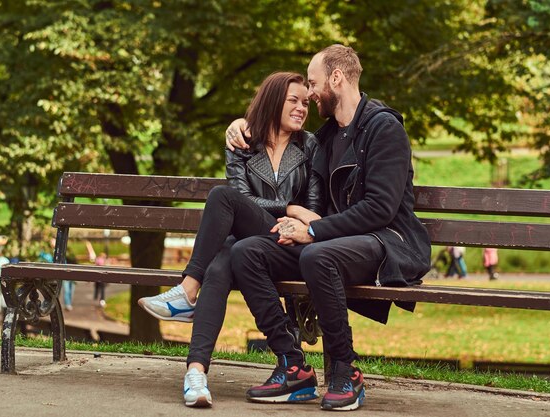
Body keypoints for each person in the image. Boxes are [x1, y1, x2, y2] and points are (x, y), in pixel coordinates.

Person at [226, 44, 431, 411]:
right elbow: (275, 135)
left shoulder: (384, 129)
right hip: (332, 242)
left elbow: (380, 210)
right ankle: (293, 366)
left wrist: (314, 232)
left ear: (336, 78)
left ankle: (344, 369)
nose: (309, 93)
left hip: (385, 242)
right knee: (247, 252)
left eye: (314, 82)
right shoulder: (326, 137)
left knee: (319, 256)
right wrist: (242, 125)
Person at [138, 72, 323, 407]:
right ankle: (195, 374)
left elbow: (310, 209)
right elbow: (242, 200)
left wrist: (294, 213)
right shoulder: (242, 142)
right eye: (293, 100)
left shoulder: (310, 145)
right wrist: (289, 206)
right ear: (273, 100)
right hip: (250, 241)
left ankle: (187, 291)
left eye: (306, 103)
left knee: (221, 199)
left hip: (292, 244)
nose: (301, 108)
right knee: (222, 260)